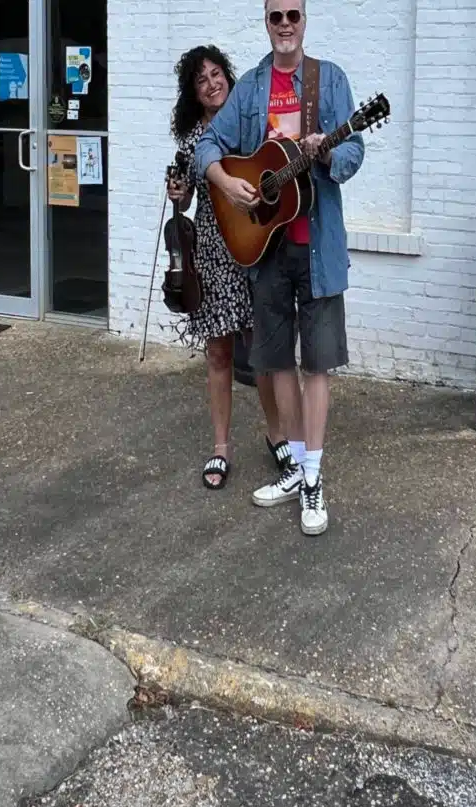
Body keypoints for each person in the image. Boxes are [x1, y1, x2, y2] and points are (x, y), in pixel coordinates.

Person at [194, 0, 364, 535]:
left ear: (304, 20)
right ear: (266, 23)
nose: (285, 24)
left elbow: (354, 151)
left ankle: (311, 476)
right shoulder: (250, 87)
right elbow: (207, 145)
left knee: (317, 364)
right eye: (276, 16)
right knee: (276, 363)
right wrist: (226, 183)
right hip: (266, 248)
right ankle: (294, 464)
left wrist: (327, 153)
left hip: (317, 247)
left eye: (293, 14)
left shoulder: (328, 80)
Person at [167, 45, 290, 491]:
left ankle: (277, 435)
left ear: (228, 77)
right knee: (219, 353)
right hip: (214, 256)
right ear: (193, 92)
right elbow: (185, 197)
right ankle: (221, 447)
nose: (212, 84)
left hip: (256, 248)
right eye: (201, 80)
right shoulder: (191, 141)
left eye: (216, 74)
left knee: (262, 354)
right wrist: (178, 194)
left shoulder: (249, 124)